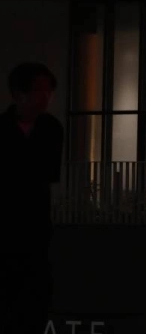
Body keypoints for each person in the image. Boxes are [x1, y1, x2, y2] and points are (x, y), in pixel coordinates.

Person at [0, 63, 63, 334]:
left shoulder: (51, 127)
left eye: (48, 90)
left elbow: (45, 172)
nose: (45, 96)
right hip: (5, 230)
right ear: (18, 94)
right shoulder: (3, 129)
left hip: (36, 230)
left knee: (34, 302)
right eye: (39, 89)